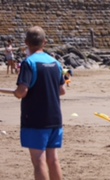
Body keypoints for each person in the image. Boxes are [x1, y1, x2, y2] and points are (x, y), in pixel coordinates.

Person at [13, 26, 66, 180]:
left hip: (36, 118)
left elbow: (22, 92)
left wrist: (17, 93)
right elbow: (62, 90)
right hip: (55, 118)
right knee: (53, 159)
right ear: (45, 42)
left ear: (26, 43)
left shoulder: (29, 63)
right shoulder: (55, 63)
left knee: (39, 161)